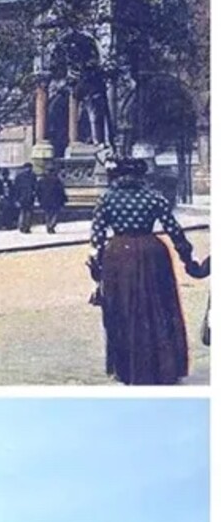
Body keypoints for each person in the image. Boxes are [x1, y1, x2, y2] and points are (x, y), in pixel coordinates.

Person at [87, 157, 201, 385]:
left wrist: (97, 270)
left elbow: (97, 238)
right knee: (158, 307)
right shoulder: (154, 197)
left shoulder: (107, 198)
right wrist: (188, 260)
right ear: (141, 176)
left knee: (123, 309)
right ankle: (162, 365)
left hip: (118, 255)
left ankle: (127, 367)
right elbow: (174, 230)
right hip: (152, 252)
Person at [36, 166, 66, 233]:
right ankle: (51, 225)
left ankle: (48, 225)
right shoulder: (57, 180)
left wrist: (39, 198)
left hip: (45, 200)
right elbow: (61, 190)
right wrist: (63, 199)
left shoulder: (42, 180)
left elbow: (38, 190)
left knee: (47, 214)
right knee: (55, 214)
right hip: (55, 200)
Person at [12, 163, 37, 234]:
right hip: (27, 196)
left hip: (23, 197)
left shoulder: (19, 176)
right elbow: (35, 186)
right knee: (27, 212)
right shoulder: (32, 176)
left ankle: (22, 226)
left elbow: (16, 188)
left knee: (23, 212)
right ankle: (26, 227)